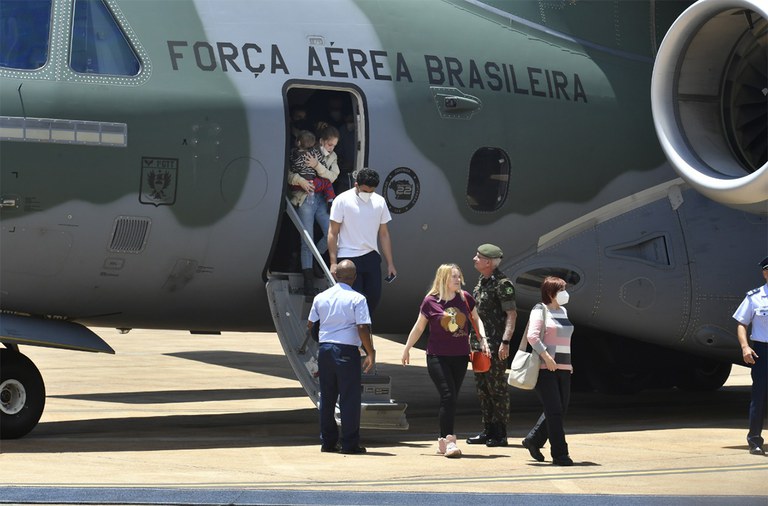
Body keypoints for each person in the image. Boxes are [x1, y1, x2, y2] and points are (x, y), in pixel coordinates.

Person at [401, 264, 484, 458]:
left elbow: (475, 319)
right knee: (447, 395)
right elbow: (419, 327)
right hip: (437, 356)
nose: (458, 280)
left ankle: (441, 441)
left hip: (461, 356)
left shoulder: (465, 298)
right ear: (444, 279)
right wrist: (407, 349)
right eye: (453, 277)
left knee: (452, 398)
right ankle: (450, 441)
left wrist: (483, 339)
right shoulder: (430, 301)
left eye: (458, 276)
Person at [308, 259, 375, 455]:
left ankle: (328, 442)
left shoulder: (321, 297)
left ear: (335, 276)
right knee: (349, 398)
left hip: (326, 350)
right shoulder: (358, 299)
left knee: (327, 398)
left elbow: (311, 324)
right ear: (354, 277)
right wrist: (370, 351)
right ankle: (350, 443)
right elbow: (362, 326)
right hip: (346, 351)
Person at [521, 276, 575, 466]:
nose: (565, 294)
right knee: (554, 411)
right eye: (562, 290)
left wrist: (568, 362)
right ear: (551, 293)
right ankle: (560, 454)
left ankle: (534, 440)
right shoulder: (540, 310)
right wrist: (547, 357)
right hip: (546, 368)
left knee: (561, 409)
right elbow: (533, 336)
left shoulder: (563, 310)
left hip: (564, 368)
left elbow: (564, 338)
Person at [328, 168, 396, 317]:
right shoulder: (342, 200)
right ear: (356, 185)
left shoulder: (380, 201)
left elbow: (384, 234)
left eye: (371, 191)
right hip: (348, 258)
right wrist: (333, 262)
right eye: (365, 191)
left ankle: (363, 330)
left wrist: (390, 263)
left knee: (374, 298)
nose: (368, 194)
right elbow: (333, 232)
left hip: (371, 256)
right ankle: (354, 335)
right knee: (354, 301)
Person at [466, 244, 516, 447]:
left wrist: (505, 342)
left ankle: (500, 433)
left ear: (488, 262)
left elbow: (511, 315)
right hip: (478, 345)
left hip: (495, 345)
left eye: (478, 257)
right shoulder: (482, 282)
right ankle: (488, 430)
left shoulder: (502, 284)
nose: (474, 259)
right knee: (482, 388)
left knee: (497, 389)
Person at [287, 130, 338, 298]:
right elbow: (286, 173)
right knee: (306, 240)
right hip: (304, 198)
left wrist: (317, 166)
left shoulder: (330, 157)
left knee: (333, 234)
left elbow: (332, 177)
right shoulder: (300, 153)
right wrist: (300, 181)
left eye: (334, 146)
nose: (331, 149)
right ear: (321, 141)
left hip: (321, 199)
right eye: (329, 144)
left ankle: (315, 260)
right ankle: (308, 281)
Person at [732, 255, 768, 456]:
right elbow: (741, 323)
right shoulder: (754, 298)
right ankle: (755, 440)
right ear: (765, 273)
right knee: (759, 397)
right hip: (763, 351)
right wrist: (745, 347)